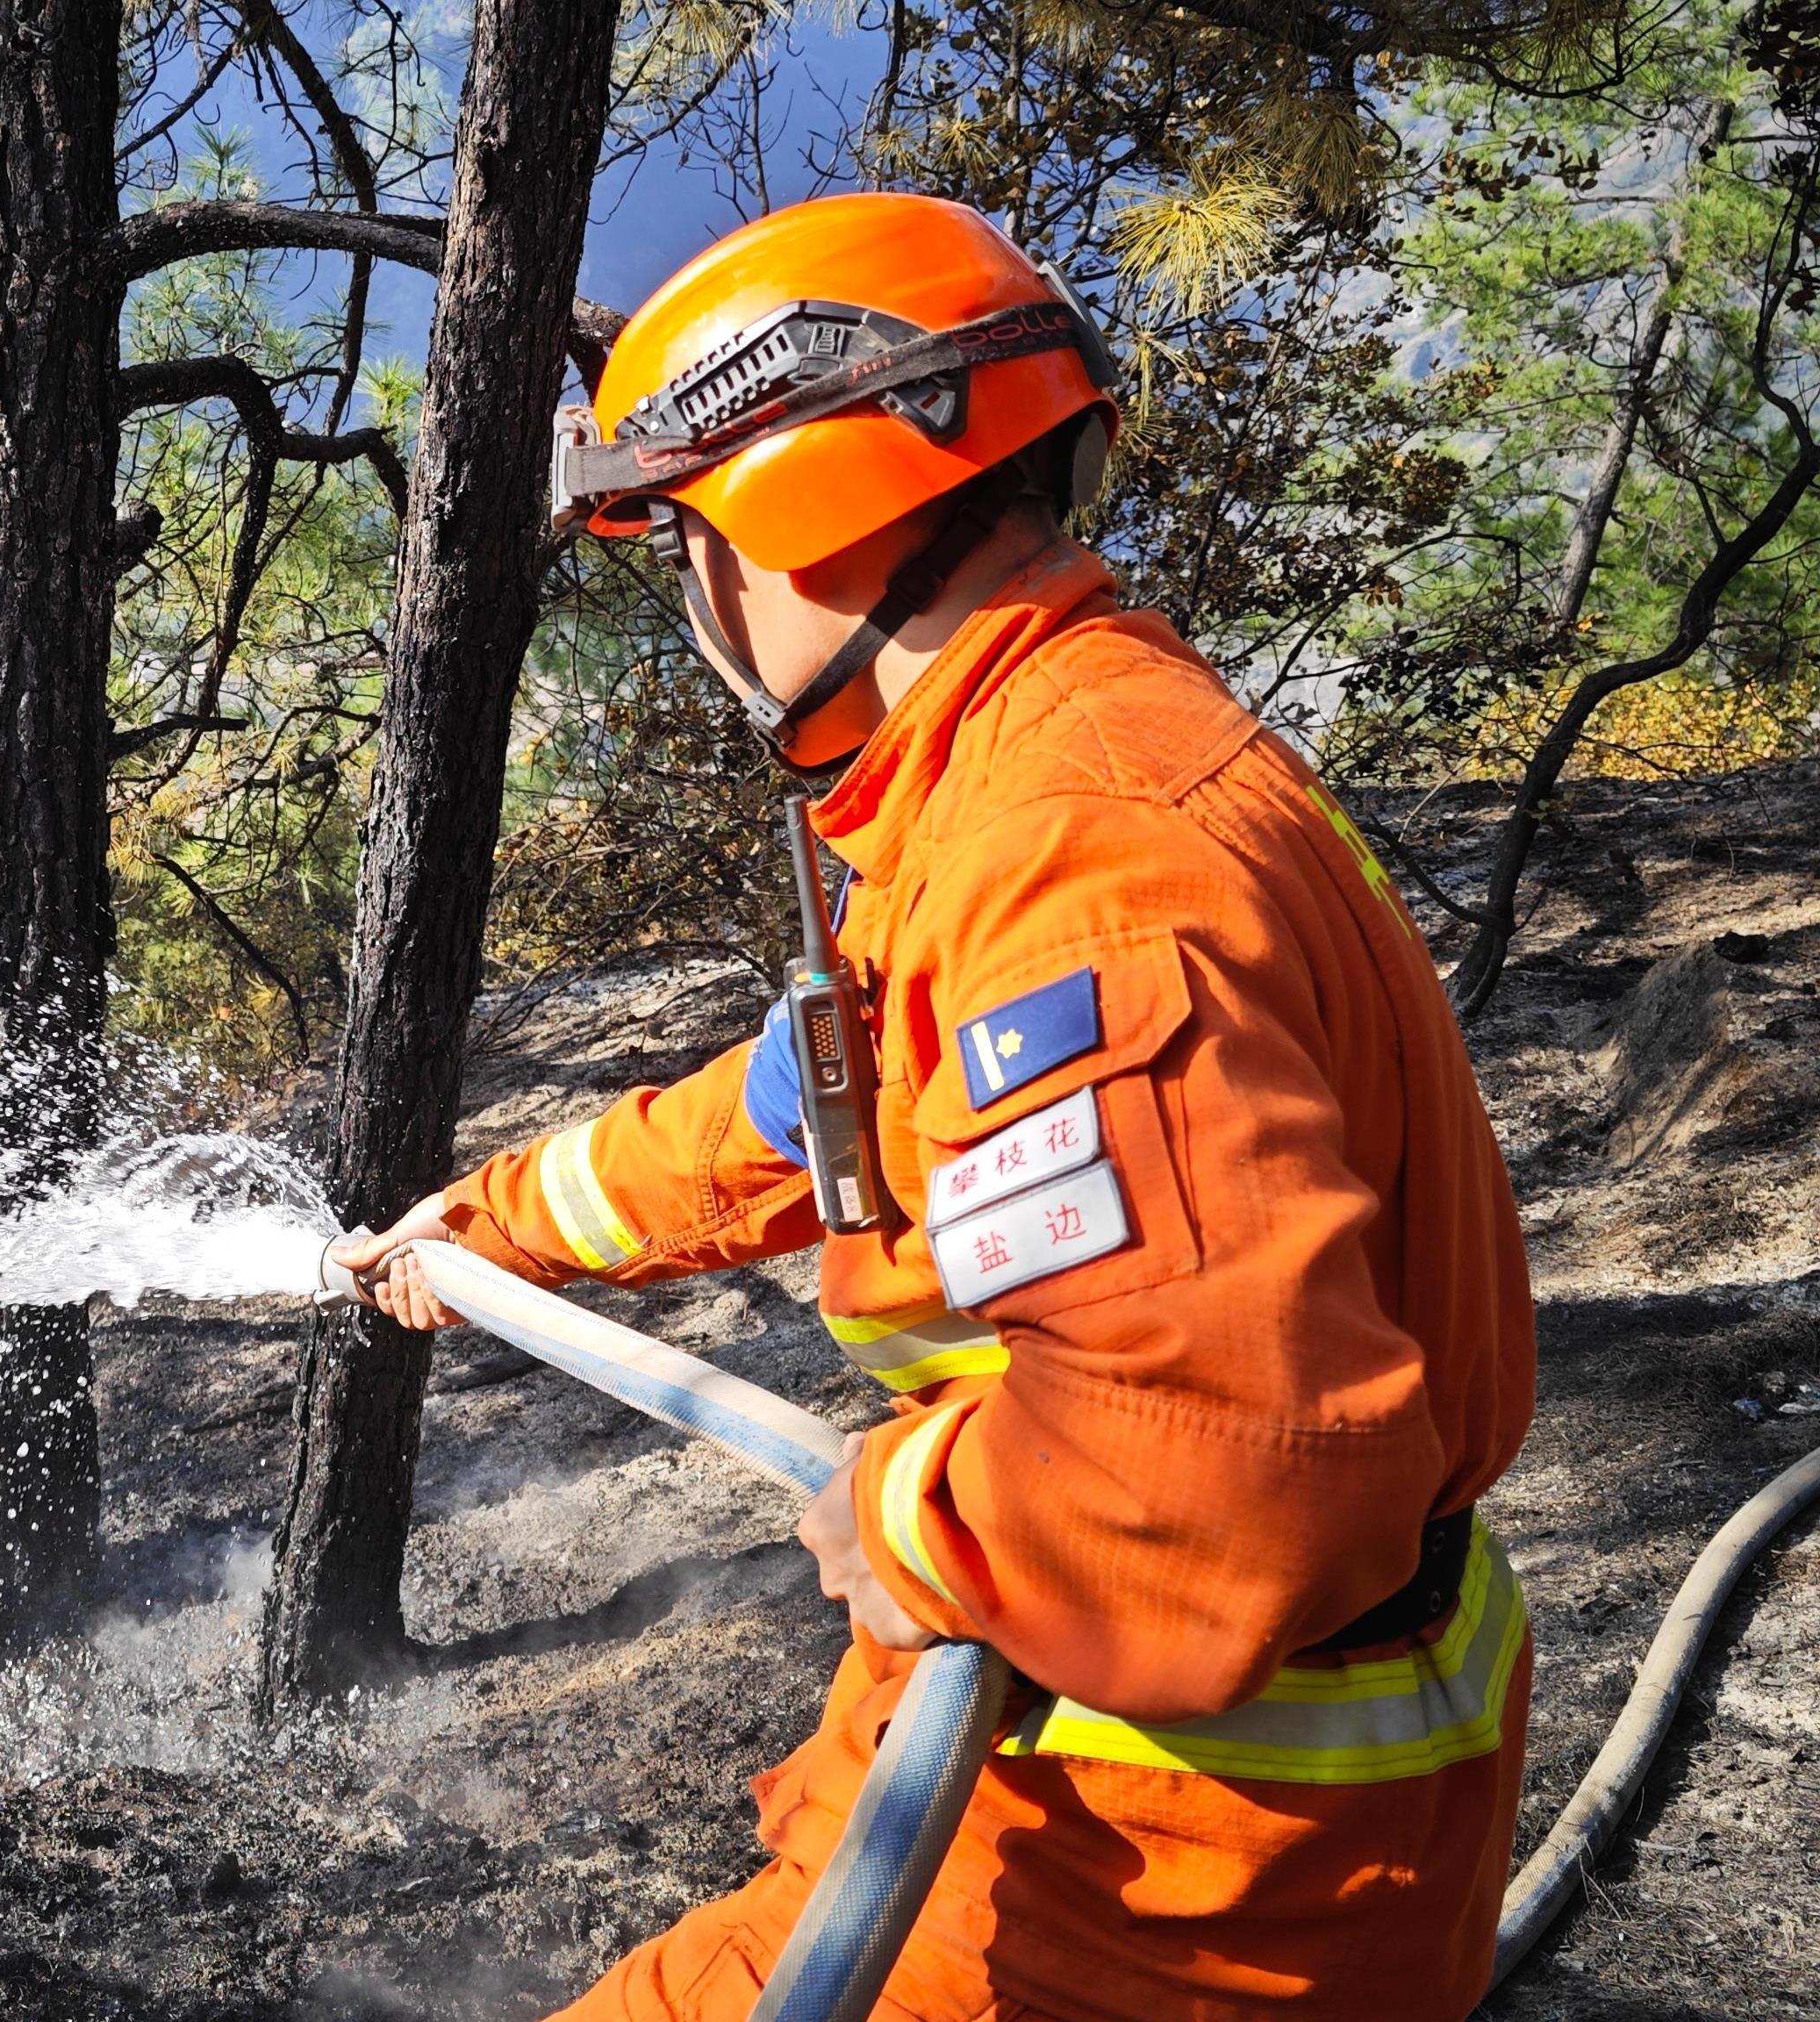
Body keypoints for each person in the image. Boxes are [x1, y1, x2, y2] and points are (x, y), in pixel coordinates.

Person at [331, 193, 1537, 2021]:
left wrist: (910, 1516)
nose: (690, 613)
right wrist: (487, 1221)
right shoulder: (1003, 788)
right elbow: (785, 1118)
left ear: (787, 508)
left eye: (679, 546)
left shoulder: (1074, 856)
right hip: (1066, 1775)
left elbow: (1219, 1477)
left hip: (1149, 1882)